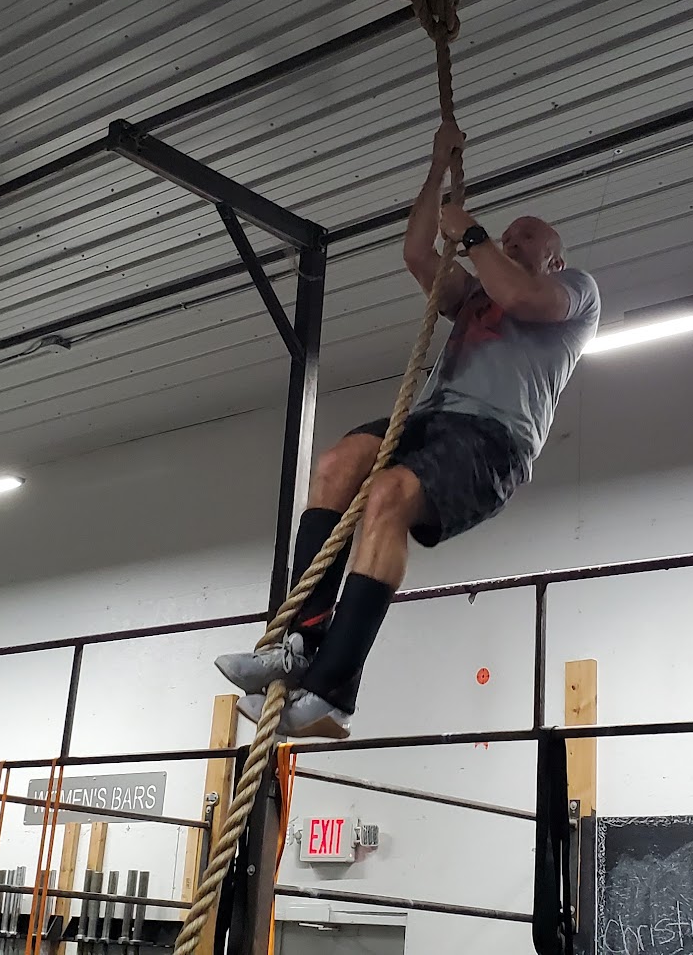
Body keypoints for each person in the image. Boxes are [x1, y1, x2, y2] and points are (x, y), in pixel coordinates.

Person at [216, 122, 599, 737]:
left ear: (555, 258)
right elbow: (418, 254)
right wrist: (437, 165)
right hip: (431, 420)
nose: (510, 240)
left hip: (493, 441)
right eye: (507, 235)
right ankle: (301, 642)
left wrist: (472, 234)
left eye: (525, 237)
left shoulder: (575, 291)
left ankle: (334, 693)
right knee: (338, 465)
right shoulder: (475, 296)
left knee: (389, 496)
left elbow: (526, 298)